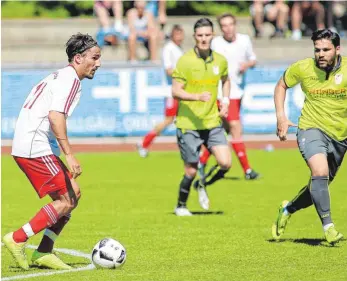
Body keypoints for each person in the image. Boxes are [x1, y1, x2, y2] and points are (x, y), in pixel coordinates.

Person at [2, 33, 101, 270]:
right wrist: (68, 153)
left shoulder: (63, 77)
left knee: (73, 195)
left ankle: (43, 252)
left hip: (33, 144)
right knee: (67, 198)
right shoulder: (70, 80)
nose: (98, 63)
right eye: (94, 58)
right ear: (78, 58)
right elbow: (55, 116)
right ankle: (17, 238)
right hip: (34, 145)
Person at [272, 29, 346, 245]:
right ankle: (329, 228)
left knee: (318, 185)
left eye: (326, 49)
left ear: (337, 50)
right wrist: (281, 117)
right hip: (310, 128)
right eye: (317, 50)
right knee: (319, 171)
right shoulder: (303, 68)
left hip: (340, 136)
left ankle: (288, 208)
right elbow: (281, 85)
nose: (320, 54)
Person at [172, 18, 231, 216]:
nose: (204, 39)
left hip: (212, 121)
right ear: (194, 37)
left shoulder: (220, 60)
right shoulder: (185, 60)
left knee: (225, 163)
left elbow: (225, 80)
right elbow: (175, 91)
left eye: (207, 35)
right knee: (190, 170)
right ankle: (180, 206)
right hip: (188, 123)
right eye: (200, 36)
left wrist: (226, 101)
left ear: (213, 35)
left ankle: (202, 184)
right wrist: (196, 96)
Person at [198, 13, 260, 181]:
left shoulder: (244, 40)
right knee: (235, 128)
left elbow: (253, 58)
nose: (228, 28)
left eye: (230, 24)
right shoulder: (216, 43)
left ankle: (201, 162)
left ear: (235, 25)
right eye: (224, 25)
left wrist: (246, 65)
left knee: (222, 131)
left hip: (237, 91)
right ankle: (247, 170)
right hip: (222, 93)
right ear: (221, 28)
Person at [137, 25, 184, 157]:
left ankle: (188, 148)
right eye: (178, 35)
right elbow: (169, 70)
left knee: (182, 120)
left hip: (180, 90)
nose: (180, 37)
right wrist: (185, 75)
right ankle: (144, 142)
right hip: (171, 91)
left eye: (181, 35)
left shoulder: (178, 49)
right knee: (169, 119)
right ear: (173, 35)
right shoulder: (169, 49)